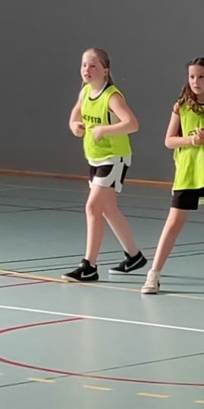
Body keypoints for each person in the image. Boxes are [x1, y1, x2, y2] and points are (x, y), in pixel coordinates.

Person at [141, 57, 204, 294]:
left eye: (201, 77)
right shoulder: (181, 107)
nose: (195, 81)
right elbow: (169, 140)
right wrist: (191, 139)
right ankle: (153, 274)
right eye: (192, 77)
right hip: (188, 173)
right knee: (174, 222)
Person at [62, 48, 146, 283]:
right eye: (83, 65)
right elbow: (75, 115)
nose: (86, 70)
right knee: (108, 209)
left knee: (92, 208)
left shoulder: (112, 97)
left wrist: (105, 129)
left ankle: (89, 265)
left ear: (105, 70)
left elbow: (132, 124)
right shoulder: (85, 92)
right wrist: (74, 125)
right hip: (94, 158)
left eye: (92, 65)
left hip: (114, 158)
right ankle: (134, 256)